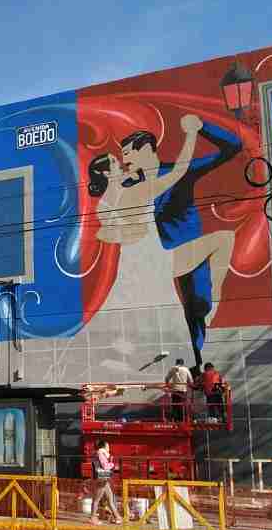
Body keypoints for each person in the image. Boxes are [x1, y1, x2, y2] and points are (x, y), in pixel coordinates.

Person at [94, 115, 241, 370]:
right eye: (120, 157)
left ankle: (194, 361)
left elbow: (233, 148)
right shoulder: (128, 185)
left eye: (126, 153)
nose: (124, 160)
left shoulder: (176, 172)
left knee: (198, 307)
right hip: (153, 260)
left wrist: (201, 127)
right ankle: (188, 366)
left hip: (187, 252)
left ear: (146, 150)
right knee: (169, 315)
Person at [90, 440, 123, 525]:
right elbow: (105, 466)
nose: (109, 448)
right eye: (108, 446)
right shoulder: (100, 453)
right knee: (97, 499)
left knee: (110, 498)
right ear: (103, 446)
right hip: (102, 477)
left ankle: (117, 517)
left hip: (103, 477)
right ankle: (93, 518)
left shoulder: (98, 453)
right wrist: (112, 464)